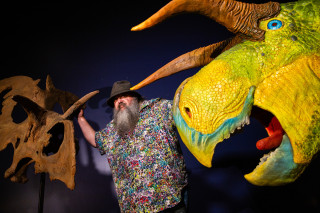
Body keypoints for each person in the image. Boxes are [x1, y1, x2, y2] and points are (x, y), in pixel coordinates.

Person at [77, 80, 188, 213]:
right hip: (136, 206)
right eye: (116, 99)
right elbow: (96, 141)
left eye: (123, 96)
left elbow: (186, 109)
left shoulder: (159, 108)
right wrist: (80, 119)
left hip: (170, 198)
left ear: (135, 97)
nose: (119, 101)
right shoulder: (113, 129)